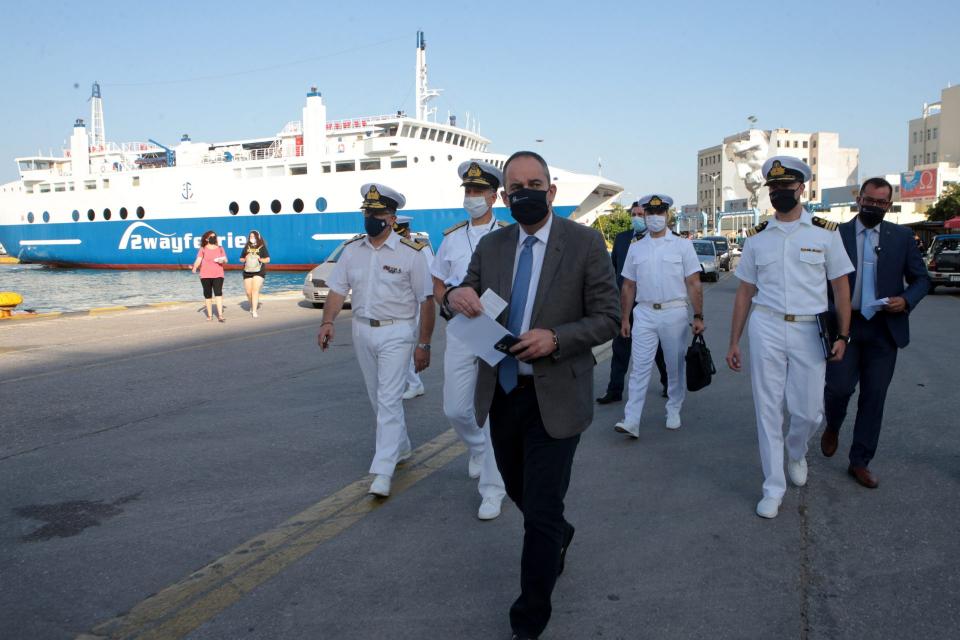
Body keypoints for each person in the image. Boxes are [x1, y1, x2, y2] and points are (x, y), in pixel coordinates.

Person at [445, 151, 619, 640]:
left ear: (551, 191)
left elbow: (608, 317)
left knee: (539, 511)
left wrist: (557, 339)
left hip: (556, 395)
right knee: (521, 491)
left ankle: (528, 620)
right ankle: (560, 533)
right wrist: (452, 297)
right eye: (516, 187)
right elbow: (461, 296)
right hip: (503, 392)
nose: (526, 193)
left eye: (535, 184)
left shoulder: (584, 243)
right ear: (504, 197)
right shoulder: (492, 246)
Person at [725, 156, 854, 519]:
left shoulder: (825, 232)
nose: (779, 192)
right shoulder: (757, 238)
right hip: (766, 325)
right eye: (774, 187)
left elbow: (841, 287)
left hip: (810, 328)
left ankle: (796, 451)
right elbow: (744, 291)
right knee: (767, 408)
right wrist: (734, 341)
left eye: (786, 186)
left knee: (809, 411)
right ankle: (773, 486)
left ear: (801, 188)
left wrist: (844, 334)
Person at [316, 183, 435, 498]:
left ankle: (383, 471)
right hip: (361, 330)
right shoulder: (352, 250)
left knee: (388, 399)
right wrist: (328, 321)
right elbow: (337, 290)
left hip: (397, 331)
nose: (371, 218)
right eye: (368, 212)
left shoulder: (411, 254)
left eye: (378, 213)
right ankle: (401, 447)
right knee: (377, 398)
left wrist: (424, 343)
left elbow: (426, 301)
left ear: (392, 218)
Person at [822, 177, 930, 488]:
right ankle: (833, 425)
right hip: (845, 327)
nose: (874, 206)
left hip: (884, 329)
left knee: (874, 397)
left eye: (881, 203)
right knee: (839, 388)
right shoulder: (835, 235)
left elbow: (922, 280)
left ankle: (860, 461)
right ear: (859, 199)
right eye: (869, 200)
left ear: (889, 205)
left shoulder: (902, 237)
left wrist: (905, 300)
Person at [431, 160, 509, 520]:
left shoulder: (507, 236)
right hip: (462, 328)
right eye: (469, 190)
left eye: (479, 191)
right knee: (455, 408)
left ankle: (493, 490)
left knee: (491, 410)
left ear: (493, 197)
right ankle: (477, 448)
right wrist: (447, 304)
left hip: (495, 329)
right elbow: (438, 281)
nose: (472, 196)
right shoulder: (451, 239)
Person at [614, 194, 704, 437]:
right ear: (645, 215)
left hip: (674, 311)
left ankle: (673, 408)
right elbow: (628, 286)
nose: (654, 217)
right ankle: (632, 419)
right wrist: (625, 318)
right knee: (639, 367)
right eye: (650, 213)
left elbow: (694, 282)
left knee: (674, 365)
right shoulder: (636, 247)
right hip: (644, 313)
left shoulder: (682, 245)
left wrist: (698, 315)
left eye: (659, 213)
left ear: (667, 215)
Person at [596, 201, 668, 405]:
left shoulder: (658, 239)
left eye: (640, 214)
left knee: (658, 349)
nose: (637, 218)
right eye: (634, 214)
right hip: (625, 304)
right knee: (620, 348)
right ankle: (614, 390)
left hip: (649, 304)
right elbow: (614, 269)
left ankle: (668, 384)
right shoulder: (622, 239)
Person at [393, 215, 435, 400]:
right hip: (393, 302)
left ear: (407, 232)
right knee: (398, 344)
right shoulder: (390, 248)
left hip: (414, 301)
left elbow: (431, 273)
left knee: (404, 344)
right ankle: (412, 383)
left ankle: (414, 384)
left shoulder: (420, 249)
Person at [191, 230, 227, 322]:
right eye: (211, 237)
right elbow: (198, 259)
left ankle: (220, 315)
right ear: (207, 239)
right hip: (205, 275)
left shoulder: (220, 248)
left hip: (218, 274)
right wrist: (195, 267)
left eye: (214, 236)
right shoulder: (203, 249)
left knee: (218, 293)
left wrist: (222, 260)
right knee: (208, 295)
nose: (213, 238)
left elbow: (226, 260)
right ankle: (210, 316)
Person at [239, 230, 270, 318]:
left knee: (255, 290)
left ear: (257, 237)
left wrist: (261, 259)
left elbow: (268, 259)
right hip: (247, 271)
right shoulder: (246, 247)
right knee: (248, 292)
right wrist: (244, 259)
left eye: (253, 236)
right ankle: (252, 305)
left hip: (259, 271)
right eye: (250, 237)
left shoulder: (262, 247)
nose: (251, 238)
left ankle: (254, 311)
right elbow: (241, 259)